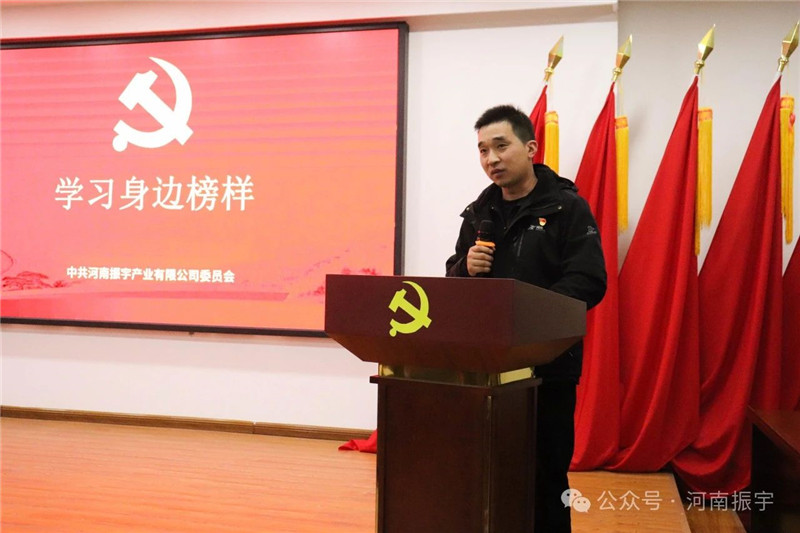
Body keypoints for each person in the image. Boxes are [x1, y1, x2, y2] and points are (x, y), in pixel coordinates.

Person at [445, 104, 606, 532]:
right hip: (487, 369)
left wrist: (530, 320)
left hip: (547, 368)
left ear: (531, 148)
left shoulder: (568, 208)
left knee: (545, 476)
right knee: (491, 472)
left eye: (501, 146)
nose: (491, 159)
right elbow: (451, 285)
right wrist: (465, 268)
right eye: (483, 150)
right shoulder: (478, 213)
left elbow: (589, 280)